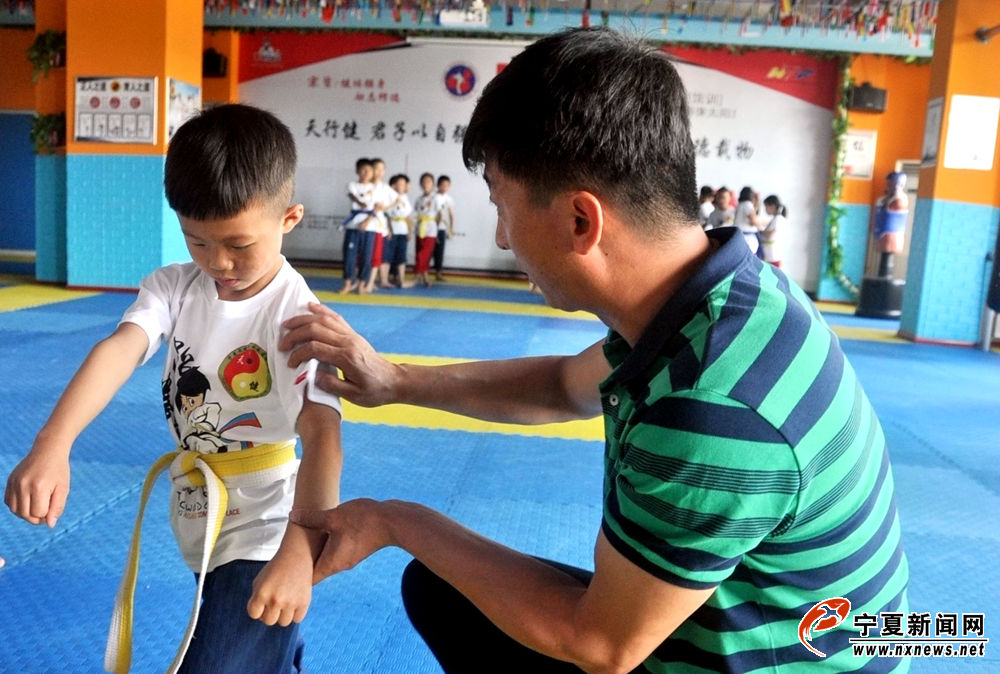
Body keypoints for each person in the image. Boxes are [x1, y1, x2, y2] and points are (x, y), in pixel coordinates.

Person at [280, 28, 908, 673]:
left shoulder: (711, 404)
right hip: (766, 625)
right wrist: (394, 380)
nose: (501, 236)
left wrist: (396, 520)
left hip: (768, 659)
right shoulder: (719, 298)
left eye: (502, 205)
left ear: (582, 220)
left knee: (448, 578)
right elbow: (561, 387)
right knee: (444, 588)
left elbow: (602, 646)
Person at [5, 104, 344, 674]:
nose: (220, 263)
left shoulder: (299, 319)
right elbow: (120, 350)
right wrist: (52, 443)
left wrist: (300, 547)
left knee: (216, 660)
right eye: (198, 241)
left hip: (270, 521)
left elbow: (323, 436)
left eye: (239, 244)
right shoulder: (175, 287)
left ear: (289, 218)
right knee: (253, 648)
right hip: (200, 506)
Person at [341, 157, 377, 294]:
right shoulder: (351, 185)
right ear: (357, 171)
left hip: (370, 226)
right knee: (349, 255)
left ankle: (362, 284)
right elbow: (353, 196)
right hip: (353, 224)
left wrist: (366, 221)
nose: (366, 172)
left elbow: (377, 208)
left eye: (369, 170)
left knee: (366, 256)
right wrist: (361, 204)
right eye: (363, 169)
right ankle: (348, 283)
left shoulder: (375, 188)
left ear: (373, 173)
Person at [364, 158, 400, 292]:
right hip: (365, 225)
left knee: (375, 256)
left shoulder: (385, 188)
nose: (379, 172)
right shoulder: (366, 185)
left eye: (382, 169)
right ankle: (364, 281)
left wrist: (384, 208)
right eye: (376, 168)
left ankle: (371, 283)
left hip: (378, 226)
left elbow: (398, 200)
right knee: (364, 256)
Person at [872, 171, 909, 277]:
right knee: (883, 261)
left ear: (897, 183)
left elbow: (892, 206)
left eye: (889, 183)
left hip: (891, 235)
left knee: (887, 262)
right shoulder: (887, 198)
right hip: (883, 232)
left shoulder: (900, 200)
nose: (887, 186)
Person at [384, 173, 415, 288]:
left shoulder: (405, 198)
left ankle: (401, 280)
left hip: (402, 230)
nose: (404, 186)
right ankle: (384, 280)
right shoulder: (388, 197)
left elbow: (407, 216)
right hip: (391, 230)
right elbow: (385, 214)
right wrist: (388, 229)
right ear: (393, 186)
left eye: (405, 184)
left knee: (401, 256)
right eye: (400, 184)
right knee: (387, 256)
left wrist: (409, 231)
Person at [412, 172, 439, 287]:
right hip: (420, 228)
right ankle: (425, 277)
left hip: (431, 229)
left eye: (428, 181)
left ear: (433, 184)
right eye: (424, 181)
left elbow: (439, 215)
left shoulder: (436, 198)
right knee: (419, 251)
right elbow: (415, 214)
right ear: (420, 184)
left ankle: (417, 276)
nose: (426, 184)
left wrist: (437, 229)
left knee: (423, 254)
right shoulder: (418, 199)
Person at [734, 185, 769, 256]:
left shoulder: (740, 205)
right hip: (748, 238)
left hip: (741, 237)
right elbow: (753, 221)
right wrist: (765, 223)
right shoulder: (747, 204)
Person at [432, 175, 455, 281]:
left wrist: (451, 228)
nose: (445, 187)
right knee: (429, 251)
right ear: (438, 185)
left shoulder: (448, 199)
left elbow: (451, 214)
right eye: (443, 185)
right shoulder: (433, 197)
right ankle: (422, 272)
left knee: (440, 251)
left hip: (442, 228)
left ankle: (438, 272)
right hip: (431, 228)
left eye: (447, 185)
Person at [761, 193, 787, 267]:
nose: (765, 210)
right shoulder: (774, 219)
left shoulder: (778, 219)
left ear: (772, 206)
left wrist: (761, 232)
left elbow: (770, 234)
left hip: (773, 257)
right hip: (769, 256)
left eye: (766, 207)